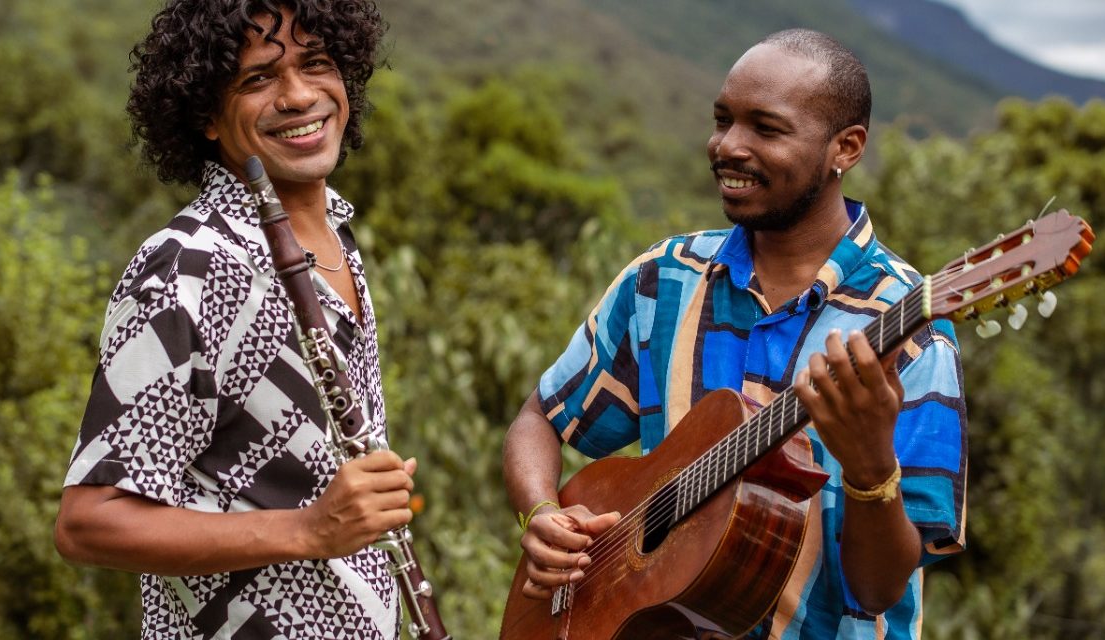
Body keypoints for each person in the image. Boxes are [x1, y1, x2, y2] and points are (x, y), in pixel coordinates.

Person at [503, 29, 967, 638]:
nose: (729, 147)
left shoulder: (913, 334)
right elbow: (541, 418)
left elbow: (879, 590)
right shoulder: (660, 281)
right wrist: (540, 512)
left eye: (765, 129)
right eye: (723, 120)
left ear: (845, 148)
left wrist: (869, 465)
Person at [53, 2, 414, 638]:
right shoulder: (190, 267)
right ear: (206, 117)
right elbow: (90, 520)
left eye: (316, 64)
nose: (299, 96)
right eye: (257, 79)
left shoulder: (334, 238)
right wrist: (310, 531)